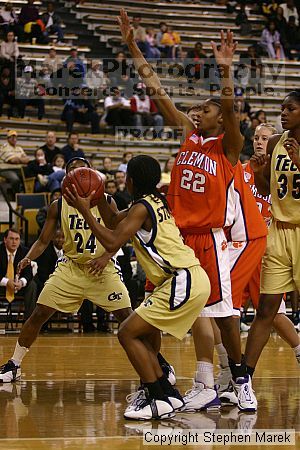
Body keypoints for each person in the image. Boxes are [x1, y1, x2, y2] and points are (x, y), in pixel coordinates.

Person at [118, 9, 256, 412]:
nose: (198, 112)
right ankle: (171, 378)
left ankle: (238, 378)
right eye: (197, 109)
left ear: (219, 118)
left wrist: (226, 72)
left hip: (210, 238)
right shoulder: (187, 135)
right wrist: (131, 46)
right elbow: (157, 89)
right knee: (157, 304)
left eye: (206, 110)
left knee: (223, 312)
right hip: (176, 237)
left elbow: (231, 111)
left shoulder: (226, 147)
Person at [0, 157, 174, 388]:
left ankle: (158, 362)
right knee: (40, 313)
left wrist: (104, 257)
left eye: (82, 170)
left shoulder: (106, 201)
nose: (77, 173)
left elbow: (119, 234)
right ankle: (14, 363)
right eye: (72, 170)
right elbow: (43, 241)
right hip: (71, 268)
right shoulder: (58, 205)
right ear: (66, 176)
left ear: (90, 174)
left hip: (102, 269)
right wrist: (28, 257)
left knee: (128, 317)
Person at [64, 154, 211, 420]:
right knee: (140, 335)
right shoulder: (152, 201)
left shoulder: (141, 208)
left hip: (183, 279)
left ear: (129, 181)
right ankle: (168, 394)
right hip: (186, 278)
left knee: (126, 333)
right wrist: (97, 197)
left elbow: (111, 241)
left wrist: (85, 210)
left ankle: (156, 398)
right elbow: (113, 222)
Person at [244, 90, 300, 379]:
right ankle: (244, 378)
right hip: (278, 230)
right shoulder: (277, 142)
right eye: (282, 109)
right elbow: (266, 189)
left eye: (290, 109)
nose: (283, 114)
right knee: (266, 308)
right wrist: (259, 171)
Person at [0, 229, 37, 320]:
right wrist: (6, 282)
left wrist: (21, 282)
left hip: (19, 287)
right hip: (2, 286)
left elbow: (29, 273)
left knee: (32, 285)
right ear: (5, 240)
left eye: (17, 239)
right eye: (11, 238)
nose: (14, 242)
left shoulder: (25, 252)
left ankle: (29, 323)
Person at [0, 130, 30, 198]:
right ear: (8, 138)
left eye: (15, 137)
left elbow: (27, 160)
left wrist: (18, 159)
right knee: (15, 179)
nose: (14, 139)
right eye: (12, 137)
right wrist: (21, 159)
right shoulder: (4, 147)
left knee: (31, 174)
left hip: (19, 169)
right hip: (6, 170)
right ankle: (15, 196)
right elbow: (13, 160)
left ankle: (27, 194)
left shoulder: (19, 148)